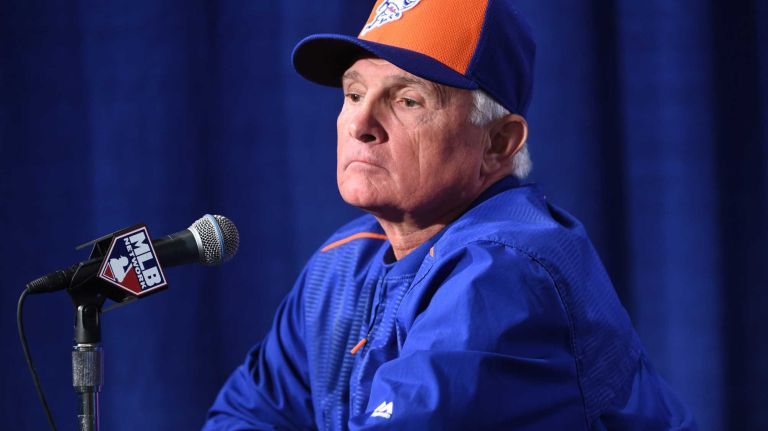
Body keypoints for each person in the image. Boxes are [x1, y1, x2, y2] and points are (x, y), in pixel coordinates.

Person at [203, 0, 696, 429]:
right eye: (354, 94)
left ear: (498, 144)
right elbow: (244, 416)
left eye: (408, 100)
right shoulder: (343, 261)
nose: (360, 123)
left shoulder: (507, 273)